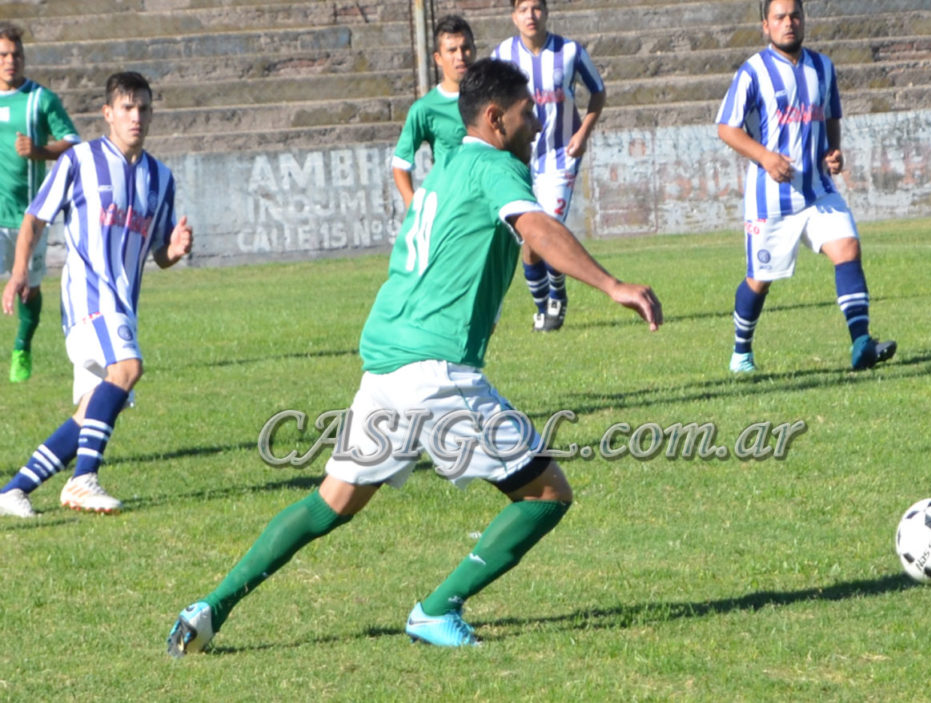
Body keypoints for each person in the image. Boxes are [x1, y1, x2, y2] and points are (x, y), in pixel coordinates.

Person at [167, 58, 660, 654]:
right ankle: (435, 610)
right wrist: (612, 285)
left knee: (332, 502)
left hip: (386, 360)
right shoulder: (495, 166)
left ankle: (208, 609)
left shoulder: (448, 165)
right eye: (528, 113)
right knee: (547, 493)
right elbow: (536, 228)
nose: (536, 124)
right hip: (434, 369)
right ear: (495, 118)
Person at [0, 72, 193, 518]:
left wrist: (175, 250)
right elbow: (34, 218)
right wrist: (19, 273)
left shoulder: (161, 178)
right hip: (88, 297)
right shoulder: (80, 161)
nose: (136, 116)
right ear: (108, 113)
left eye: (143, 108)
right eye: (127, 108)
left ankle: (14, 489)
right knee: (128, 369)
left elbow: (159, 254)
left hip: (122, 305)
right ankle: (83, 480)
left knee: (93, 410)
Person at [716, 0, 895, 373]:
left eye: (795, 16)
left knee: (847, 248)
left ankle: (861, 343)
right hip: (772, 198)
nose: (789, 23)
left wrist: (834, 151)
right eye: (780, 17)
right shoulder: (753, 72)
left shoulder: (823, 67)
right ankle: (741, 353)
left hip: (818, 191)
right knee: (760, 280)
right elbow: (727, 128)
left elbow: (830, 116)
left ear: (804, 20)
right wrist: (766, 157)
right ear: (766, 25)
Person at [492, 0, 606, 332]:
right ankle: (544, 306)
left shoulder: (570, 51)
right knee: (529, 238)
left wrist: (583, 133)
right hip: (519, 158)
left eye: (537, 7)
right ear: (514, 16)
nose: (531, 15)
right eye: (523, 9)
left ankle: (555, 299)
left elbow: (598, 92)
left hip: (560, 156)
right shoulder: (502, 55)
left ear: (547, 12)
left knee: (549, 227)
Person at [0, 23, 80, 383]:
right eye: (3, 55)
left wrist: (40, 151)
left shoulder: (40, 100)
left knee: (29, 289)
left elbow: (73, 143)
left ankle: (22, 346)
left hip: (29, 216)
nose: (10, 61)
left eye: (16, 55)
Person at [391, 15, 476, 210]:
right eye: (452, 50)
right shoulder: (426, 108)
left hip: (490, 205)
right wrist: (413, 207)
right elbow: (400, 163)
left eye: (465, 48)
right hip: (452, 208)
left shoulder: (491, 98)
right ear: (438, 58)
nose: (460, 56)